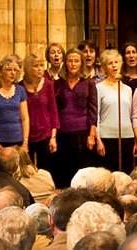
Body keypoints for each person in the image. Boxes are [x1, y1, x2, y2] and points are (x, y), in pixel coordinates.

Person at [54, 48, 97, 188]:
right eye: (70, 61)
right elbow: (55, 109)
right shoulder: (58, 83)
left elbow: (93, 110)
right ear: (65, 63)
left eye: (76, 61)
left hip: (82, 132)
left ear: (81, 63)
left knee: (81, 169)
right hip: (63, 132)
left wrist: (92, 134)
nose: (73, 64)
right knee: (64, 169)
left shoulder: (88, 82)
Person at [95, 50, 135, 173]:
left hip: (127, 136)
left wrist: (135, 142)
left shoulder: (127, 89)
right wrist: (98, 139)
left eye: (116, 62)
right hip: (107, 137)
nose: (114, 66)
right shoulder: (99, 87)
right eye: (110, 63)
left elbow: (132, 115)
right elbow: (96, 116)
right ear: (105, 67)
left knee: (126, 173)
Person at [19, 53, 59, 170]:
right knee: (27, 169)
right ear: (28, 68)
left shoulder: (48, 85)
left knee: (45, 170)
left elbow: (53, 111)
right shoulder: (20, 87)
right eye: (36, 66)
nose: (40, 68)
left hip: (45, 133)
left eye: (42, 65)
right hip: (26, 134)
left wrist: (53, 137)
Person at [0, 55, 30, 157]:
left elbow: (25, 118)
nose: (12, 73)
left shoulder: (20, 90)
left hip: (17, 140)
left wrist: (25, 142)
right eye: (9, 69)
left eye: (15, 70)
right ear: (0, 72)